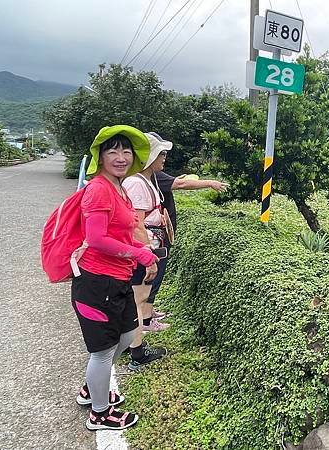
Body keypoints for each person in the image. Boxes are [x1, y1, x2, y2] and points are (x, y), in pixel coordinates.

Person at [72, 125, 158, 431]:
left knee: (123, 337)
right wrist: (140, 254)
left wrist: (142, 250)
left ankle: (90, 389)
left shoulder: (119, 188)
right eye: (113, 151)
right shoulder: (98, 189)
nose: (120, 157)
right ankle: (99, 413)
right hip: (96, 283)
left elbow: (119, 234)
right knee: (103, 351)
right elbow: (96, 239)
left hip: (115, 280)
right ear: (101, 156)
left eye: (126, 151)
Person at [146, 132, 228, 310]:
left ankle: (147, 314)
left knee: (153, 277)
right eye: (162, 153)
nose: (165, 157)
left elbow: (175, 182)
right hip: (154, 238)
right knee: (152, 277)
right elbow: (180, 185)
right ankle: (144, 319)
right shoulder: (148, 176)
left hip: (159, 235)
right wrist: (210, 183)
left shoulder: (154, 175)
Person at [122, 132, 172, 371]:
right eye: (161, 153)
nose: (164, 158)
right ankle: (137, 353)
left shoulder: (145, 180)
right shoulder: (136, 183)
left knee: (138, 299)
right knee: (138, 300)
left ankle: (131, 346)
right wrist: (148, 256)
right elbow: (135, 224)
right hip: (145, 250)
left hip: (150, 247)